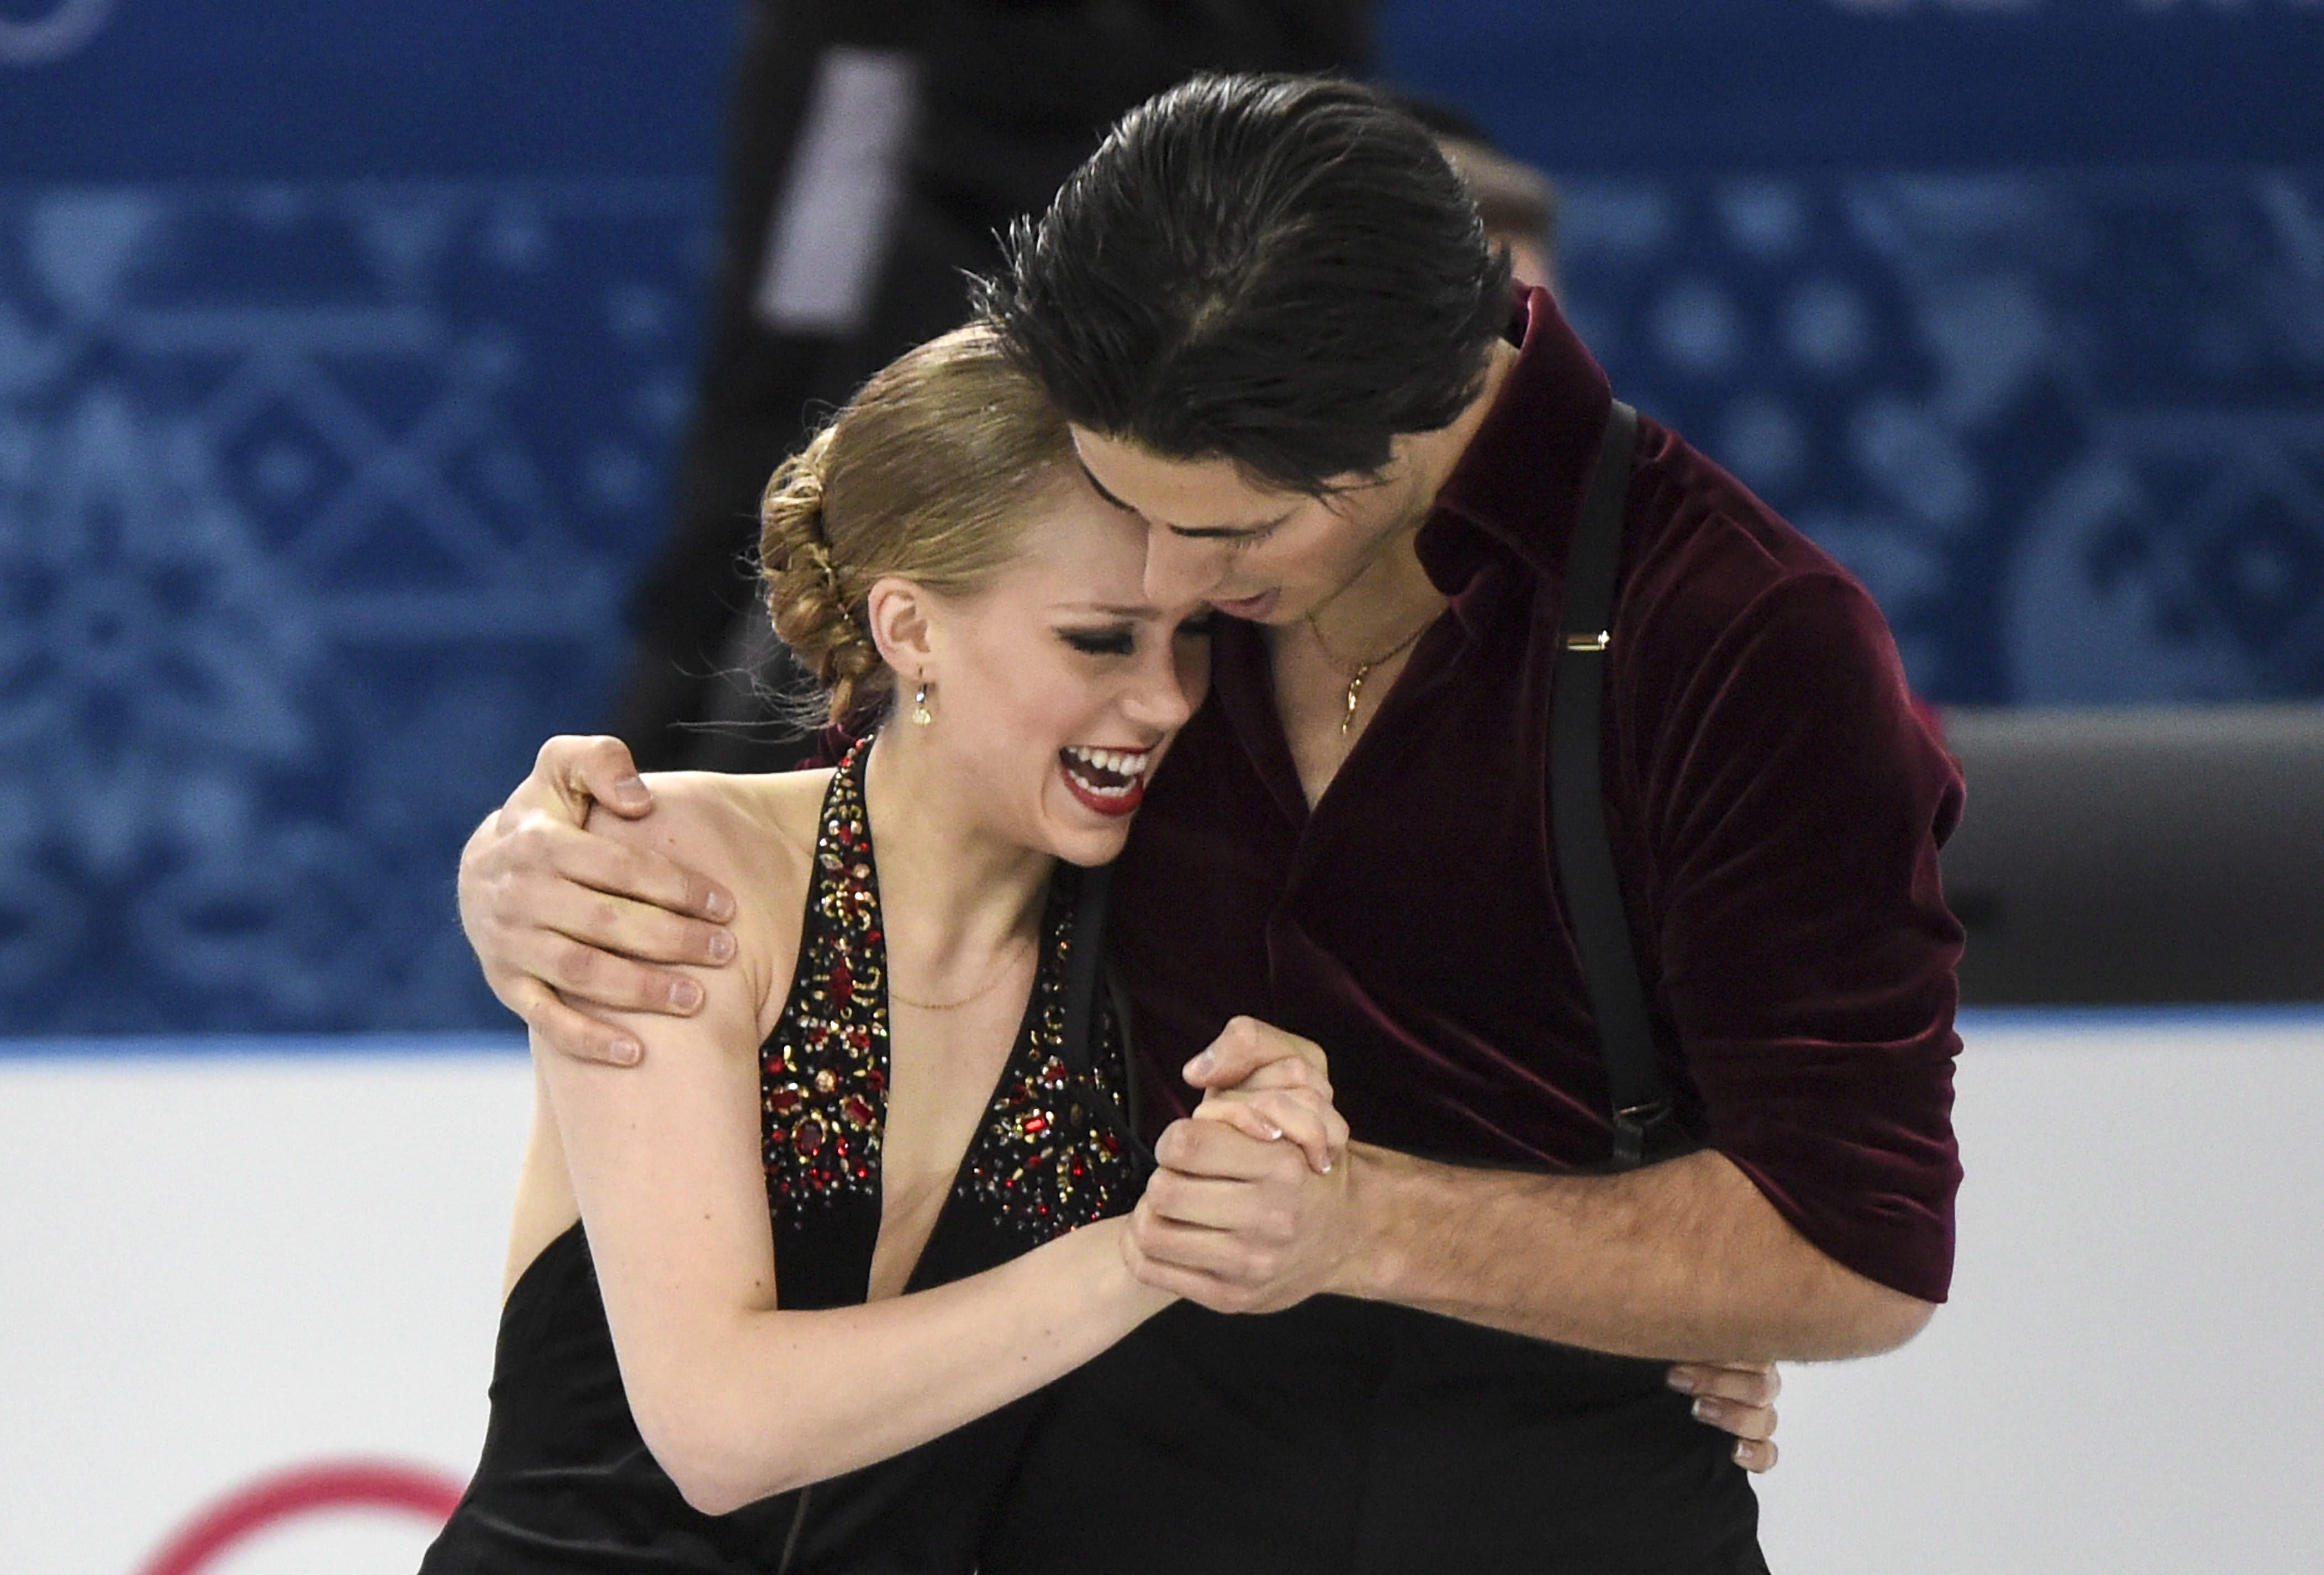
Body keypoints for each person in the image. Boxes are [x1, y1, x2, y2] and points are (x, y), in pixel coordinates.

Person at [468, 76, 1944, 1572]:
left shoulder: (1740, 642)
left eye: (1222, 538)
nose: (1172, 593)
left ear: (1398, 429)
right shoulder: (1149, 510)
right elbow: (911, 744)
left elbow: (1842, 1244)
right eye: (1124, 551)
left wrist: (1381, 1230)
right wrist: (530, 863)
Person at [420, 323, 1347, 1574]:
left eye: (1192, 636)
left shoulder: (1163, 952)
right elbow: (720, 1428)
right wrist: (1158, 1250)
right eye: (1100, 638)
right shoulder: (681, 873)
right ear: (910, 628)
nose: (1168, 696)